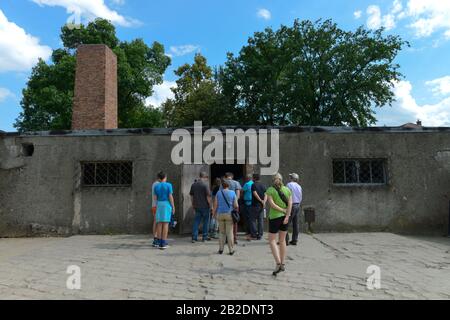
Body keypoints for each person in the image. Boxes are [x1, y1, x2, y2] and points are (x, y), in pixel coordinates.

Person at [265, 173, 292, 276]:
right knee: (282, 240)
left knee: (272, 240)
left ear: (273, 180)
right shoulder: (287, 190)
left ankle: (278, 263)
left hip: (274, 217)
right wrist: (287, 215)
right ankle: (283, 263)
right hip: (285, 218)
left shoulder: (270, 190)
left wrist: (281, 210)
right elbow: (290, 204)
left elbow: (271, 204)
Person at [213, 179, 238, 255]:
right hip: (229, 214)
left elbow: (215, 204)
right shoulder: (232, 192)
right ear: (228, 186)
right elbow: (236, 205)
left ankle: (221, 249)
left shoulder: (218, 193)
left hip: (220, 214)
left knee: (221, 232)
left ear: (222, 186)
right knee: (229, 233)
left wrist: (213, 213)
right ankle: (231, 250)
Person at [153, 171, 175, 250]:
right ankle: (163, 242)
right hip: (166, 204)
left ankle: (158, 242)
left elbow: (155, 198)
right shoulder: (169, 185)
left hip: (159, 204)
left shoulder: (156, 186)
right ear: (165, 177)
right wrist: (173, 206)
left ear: (159, 178)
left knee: (159, 223)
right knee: (165, 224)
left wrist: (155, 207)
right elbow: (170, 196)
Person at [190, 172, 212, 243]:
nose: (206, 179)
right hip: (205, 206)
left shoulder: (193, 185)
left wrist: (193, 204)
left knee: (196, 222)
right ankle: (204, 237)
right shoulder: (205, 185)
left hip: (197, 206)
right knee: (206, 222)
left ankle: (194, 238)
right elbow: (208, 196)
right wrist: (211, 205)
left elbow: (191, 196)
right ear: (205, 177)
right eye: (206, 178)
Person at [223, 172, 242, 244]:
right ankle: (234, 238)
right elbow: (238, 196)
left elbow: (220, 194)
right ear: (232, 176)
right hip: (234, 205)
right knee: (234, 222)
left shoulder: (223, 184)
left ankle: (227, 239)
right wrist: (234, 204)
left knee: (225, 222)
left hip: (224, 206)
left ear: (226, 177)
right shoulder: (236, 183)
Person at [286, 173, 303, 245]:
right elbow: (301, 197)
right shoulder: (299, 186)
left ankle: (285, 240)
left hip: (291, 205)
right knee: (296, 223)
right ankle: (294, 240)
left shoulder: (289, 185)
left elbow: (287, 195)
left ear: (292, 178)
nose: (289, 178)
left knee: (286, 223)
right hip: (297, 205)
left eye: (290, 177)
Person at [250, 173, 267, 240]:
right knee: (260, 220)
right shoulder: (263, 185)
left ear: (254, 178)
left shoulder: (253, 185)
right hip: (261, 205)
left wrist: (260, 200)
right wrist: (264, 202)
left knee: (252, 220)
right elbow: (266, 194)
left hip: (255, 205)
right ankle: (260, 235)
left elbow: (255, 193)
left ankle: (254, 234)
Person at [242, 174, 254, 241]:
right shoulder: (253, 184)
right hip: (253, 203)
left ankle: (248, 232)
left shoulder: (247, 184)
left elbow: (242, 191)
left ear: (247, 178)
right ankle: (252, 231)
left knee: (247, 218)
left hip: (247, 203)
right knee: (252, 218)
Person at [151, 175, 161, 247]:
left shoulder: (154, 184)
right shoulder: (158, 184)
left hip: (154, 205)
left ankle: (155, 238)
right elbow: (157, 196)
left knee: (156, 222)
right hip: (157, 205)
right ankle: (156, 239)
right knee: (157, 222)